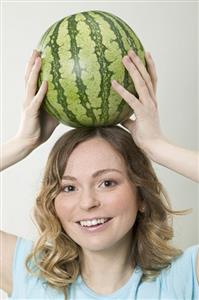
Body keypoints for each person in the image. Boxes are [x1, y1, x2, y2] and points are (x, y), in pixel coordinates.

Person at [0, 49, 198, 299]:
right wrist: (23, 142)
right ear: (52, 202)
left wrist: (159, 146)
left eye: (107, 182)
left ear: (142, 197)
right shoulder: (28, 274)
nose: (88, 203)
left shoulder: (184, 277)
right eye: (69, 187)